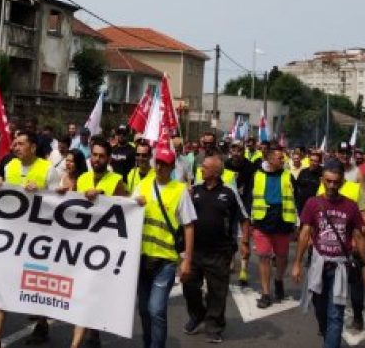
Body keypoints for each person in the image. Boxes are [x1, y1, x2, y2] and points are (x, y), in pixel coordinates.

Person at [0, 130, 59, 348]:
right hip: (13, 237)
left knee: (36, 285)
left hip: (38, 239)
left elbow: (60, 204)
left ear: (33, 147)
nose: (15, 147)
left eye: (20, 144)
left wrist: (43, 191)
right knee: (3, 281)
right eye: (14, 144)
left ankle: (42, 324)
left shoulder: (48, 170)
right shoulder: (10, 166)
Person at [292, 161, 365, 348]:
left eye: (336, 182)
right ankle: (325, 329)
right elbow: (305, 233)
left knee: (336, 315)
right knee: (320, 311)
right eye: (328, 181)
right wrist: (297, 263)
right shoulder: (313, 203)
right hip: (318, 265)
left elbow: (359, 237)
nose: (332, 186)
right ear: (322, 180)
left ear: (342, 182)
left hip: (340, 268)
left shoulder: (351, 206)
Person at [133, 144, 195, 348]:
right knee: (143, 309)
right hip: (141, 259)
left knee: (156, 310)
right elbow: (124, 213)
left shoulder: (180, 191)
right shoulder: (142, 186)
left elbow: (188, 227)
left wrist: (186, 261)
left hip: (166, 261)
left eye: (164, 164)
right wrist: (134, 203)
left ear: (172, 167)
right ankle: (148, 342)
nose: (159, 168)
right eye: (157, 162)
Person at [69, 137, 128, 348]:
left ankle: (77, 343)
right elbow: (70, 207)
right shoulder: (82, 178)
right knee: (84, 292)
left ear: (108, 158)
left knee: (90, 292)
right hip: (81, 246)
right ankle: (92, 331)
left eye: (102, 156)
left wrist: (103, 195)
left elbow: (127, 208)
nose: (97, 159)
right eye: (94, 155)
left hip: (104, 248)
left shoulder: (116, 181)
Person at [183, 155, 249, 343]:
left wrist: (245, 243)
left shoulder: (229, 193)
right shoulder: (193, 190)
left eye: (204, 167)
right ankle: (197, 316)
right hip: (194, 251)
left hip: (220, 252)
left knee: (217, 292)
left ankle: (214, 326)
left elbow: (244, 218)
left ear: (215, 172)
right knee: (189, 287)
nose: (201, 169)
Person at [250, 144, 297, 308]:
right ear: (269, 159)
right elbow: (250, 198)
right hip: (262, 221)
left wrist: (295, 223)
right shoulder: (257, 175)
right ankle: (265, 293)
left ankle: (278, 280)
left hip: (283, 220)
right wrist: (249, 222)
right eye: (279, 157)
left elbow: (295, 199)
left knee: (282, 257)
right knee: (263, 257)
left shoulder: (288, 175)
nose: (283, 159)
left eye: (283, 156)